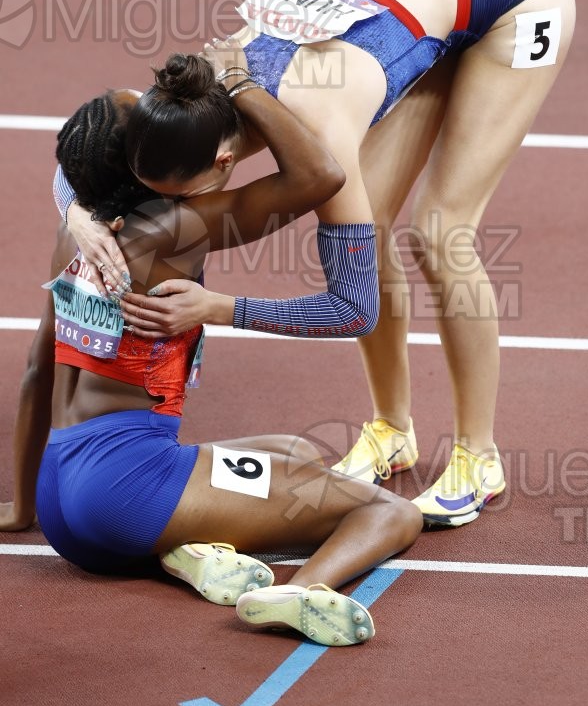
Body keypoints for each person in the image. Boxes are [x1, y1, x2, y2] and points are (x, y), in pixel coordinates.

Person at [54, 0, 577, 529]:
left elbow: (353, 309)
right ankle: (391, 429)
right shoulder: (185, 93)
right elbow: (79, 146)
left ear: (225, 163)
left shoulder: (323, 129)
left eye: (179, 199)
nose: (169, 214)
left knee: (439, 233)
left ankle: (479, 457)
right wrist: (79, 214)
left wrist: (218, 307)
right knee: (372, 226)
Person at [1, 64, 423, 647]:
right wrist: (241, 83)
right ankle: (303, 590)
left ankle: (188, 551)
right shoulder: (176, 226)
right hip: (129, 490)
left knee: (295, 452)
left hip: (61, 498)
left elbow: (34, 371)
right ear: (141, 164)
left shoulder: (75, 232)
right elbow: (321, 175)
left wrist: (24, 506)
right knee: (392, 514)